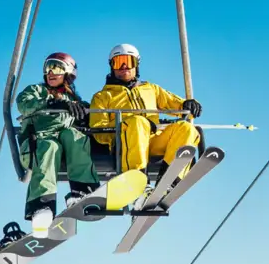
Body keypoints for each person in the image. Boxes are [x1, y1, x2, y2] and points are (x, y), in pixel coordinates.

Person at [15, 51, 100, 236]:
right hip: (37, 142)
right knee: (49, 147)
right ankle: (42, 206)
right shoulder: (37, 91)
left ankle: (82, 191)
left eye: (57, 67)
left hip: (65, 146)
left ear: (68, 73)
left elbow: (93, 113)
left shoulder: (74, 101)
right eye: (48, 67)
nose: (51, 72)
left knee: (73, 135)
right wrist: (52, 103)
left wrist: (87, 112)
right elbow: (23, 104)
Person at [88, 43, 203, 175]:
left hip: (154, 140)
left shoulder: (151, 89)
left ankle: (171, 177)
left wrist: (188, 105)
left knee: (186, 128)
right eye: (118, 62)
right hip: (126, 144)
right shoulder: (102, 96)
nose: (124, 67)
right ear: (111, 67)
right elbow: (98, 131)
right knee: (138, 122)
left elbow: (176, 104)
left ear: (136, 64)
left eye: (128, 61)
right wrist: (128, 124)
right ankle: (137, 176)